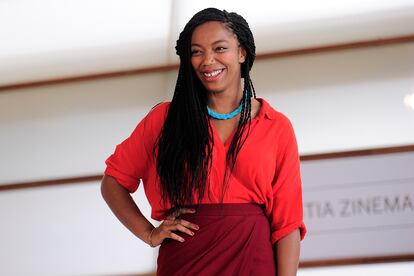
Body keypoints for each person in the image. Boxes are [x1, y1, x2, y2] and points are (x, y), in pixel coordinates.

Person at [101, 7, 306, 276]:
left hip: (252, 258)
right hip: (186, 260)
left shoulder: (276, 126)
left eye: (220, 48)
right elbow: (113, 181)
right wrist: (149, 234)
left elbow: (287, 224)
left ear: (242, 53)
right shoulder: (165, 119)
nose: (208, 60)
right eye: (196, 51)